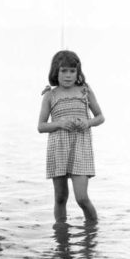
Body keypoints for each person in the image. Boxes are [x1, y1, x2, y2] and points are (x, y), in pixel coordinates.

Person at [38, 50, 105, 223]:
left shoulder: (84, 91)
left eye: (72, 71)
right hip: (58, 149)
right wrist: (59, 123)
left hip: (81, 149)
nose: (68, 75)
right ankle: (61, 237)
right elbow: (41, 126)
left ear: (78, 72)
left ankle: (93, 232)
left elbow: (100, 117)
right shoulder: (50, 95)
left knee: (82, 198)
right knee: (60, 198)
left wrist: (88, 122)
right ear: (56, 72)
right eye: (63, 71)